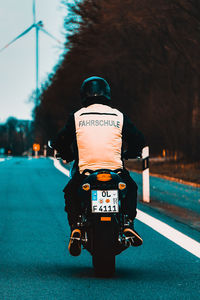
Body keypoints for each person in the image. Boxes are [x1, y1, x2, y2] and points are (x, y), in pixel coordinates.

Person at [53, 76, 146, 256]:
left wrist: (67, 154)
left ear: (84, 95)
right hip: (115, 171)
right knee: (131, 188)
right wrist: (130, 153)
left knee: (70, 192)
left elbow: (60, 141)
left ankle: (76, 228)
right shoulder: (118, 116)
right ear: (107, 94)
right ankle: (127, 223)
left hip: (86, 171)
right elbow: (139, 140)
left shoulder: (77, 117)